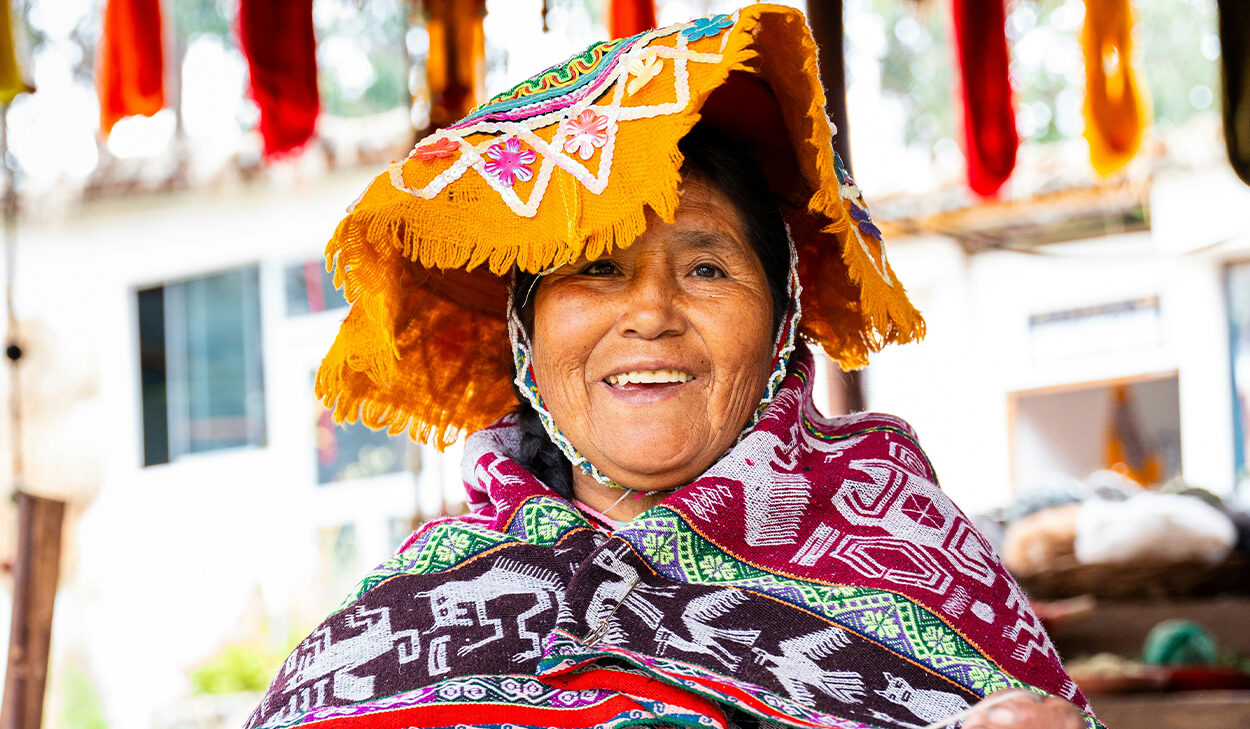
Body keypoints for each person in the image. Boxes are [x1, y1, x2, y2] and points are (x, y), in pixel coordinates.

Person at [247, 6, 1099, 729]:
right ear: (526, 335)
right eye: (596, 267)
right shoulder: (395, 625)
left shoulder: (917, 556)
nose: (650, 313)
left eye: (706, 269)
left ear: (781, 326)